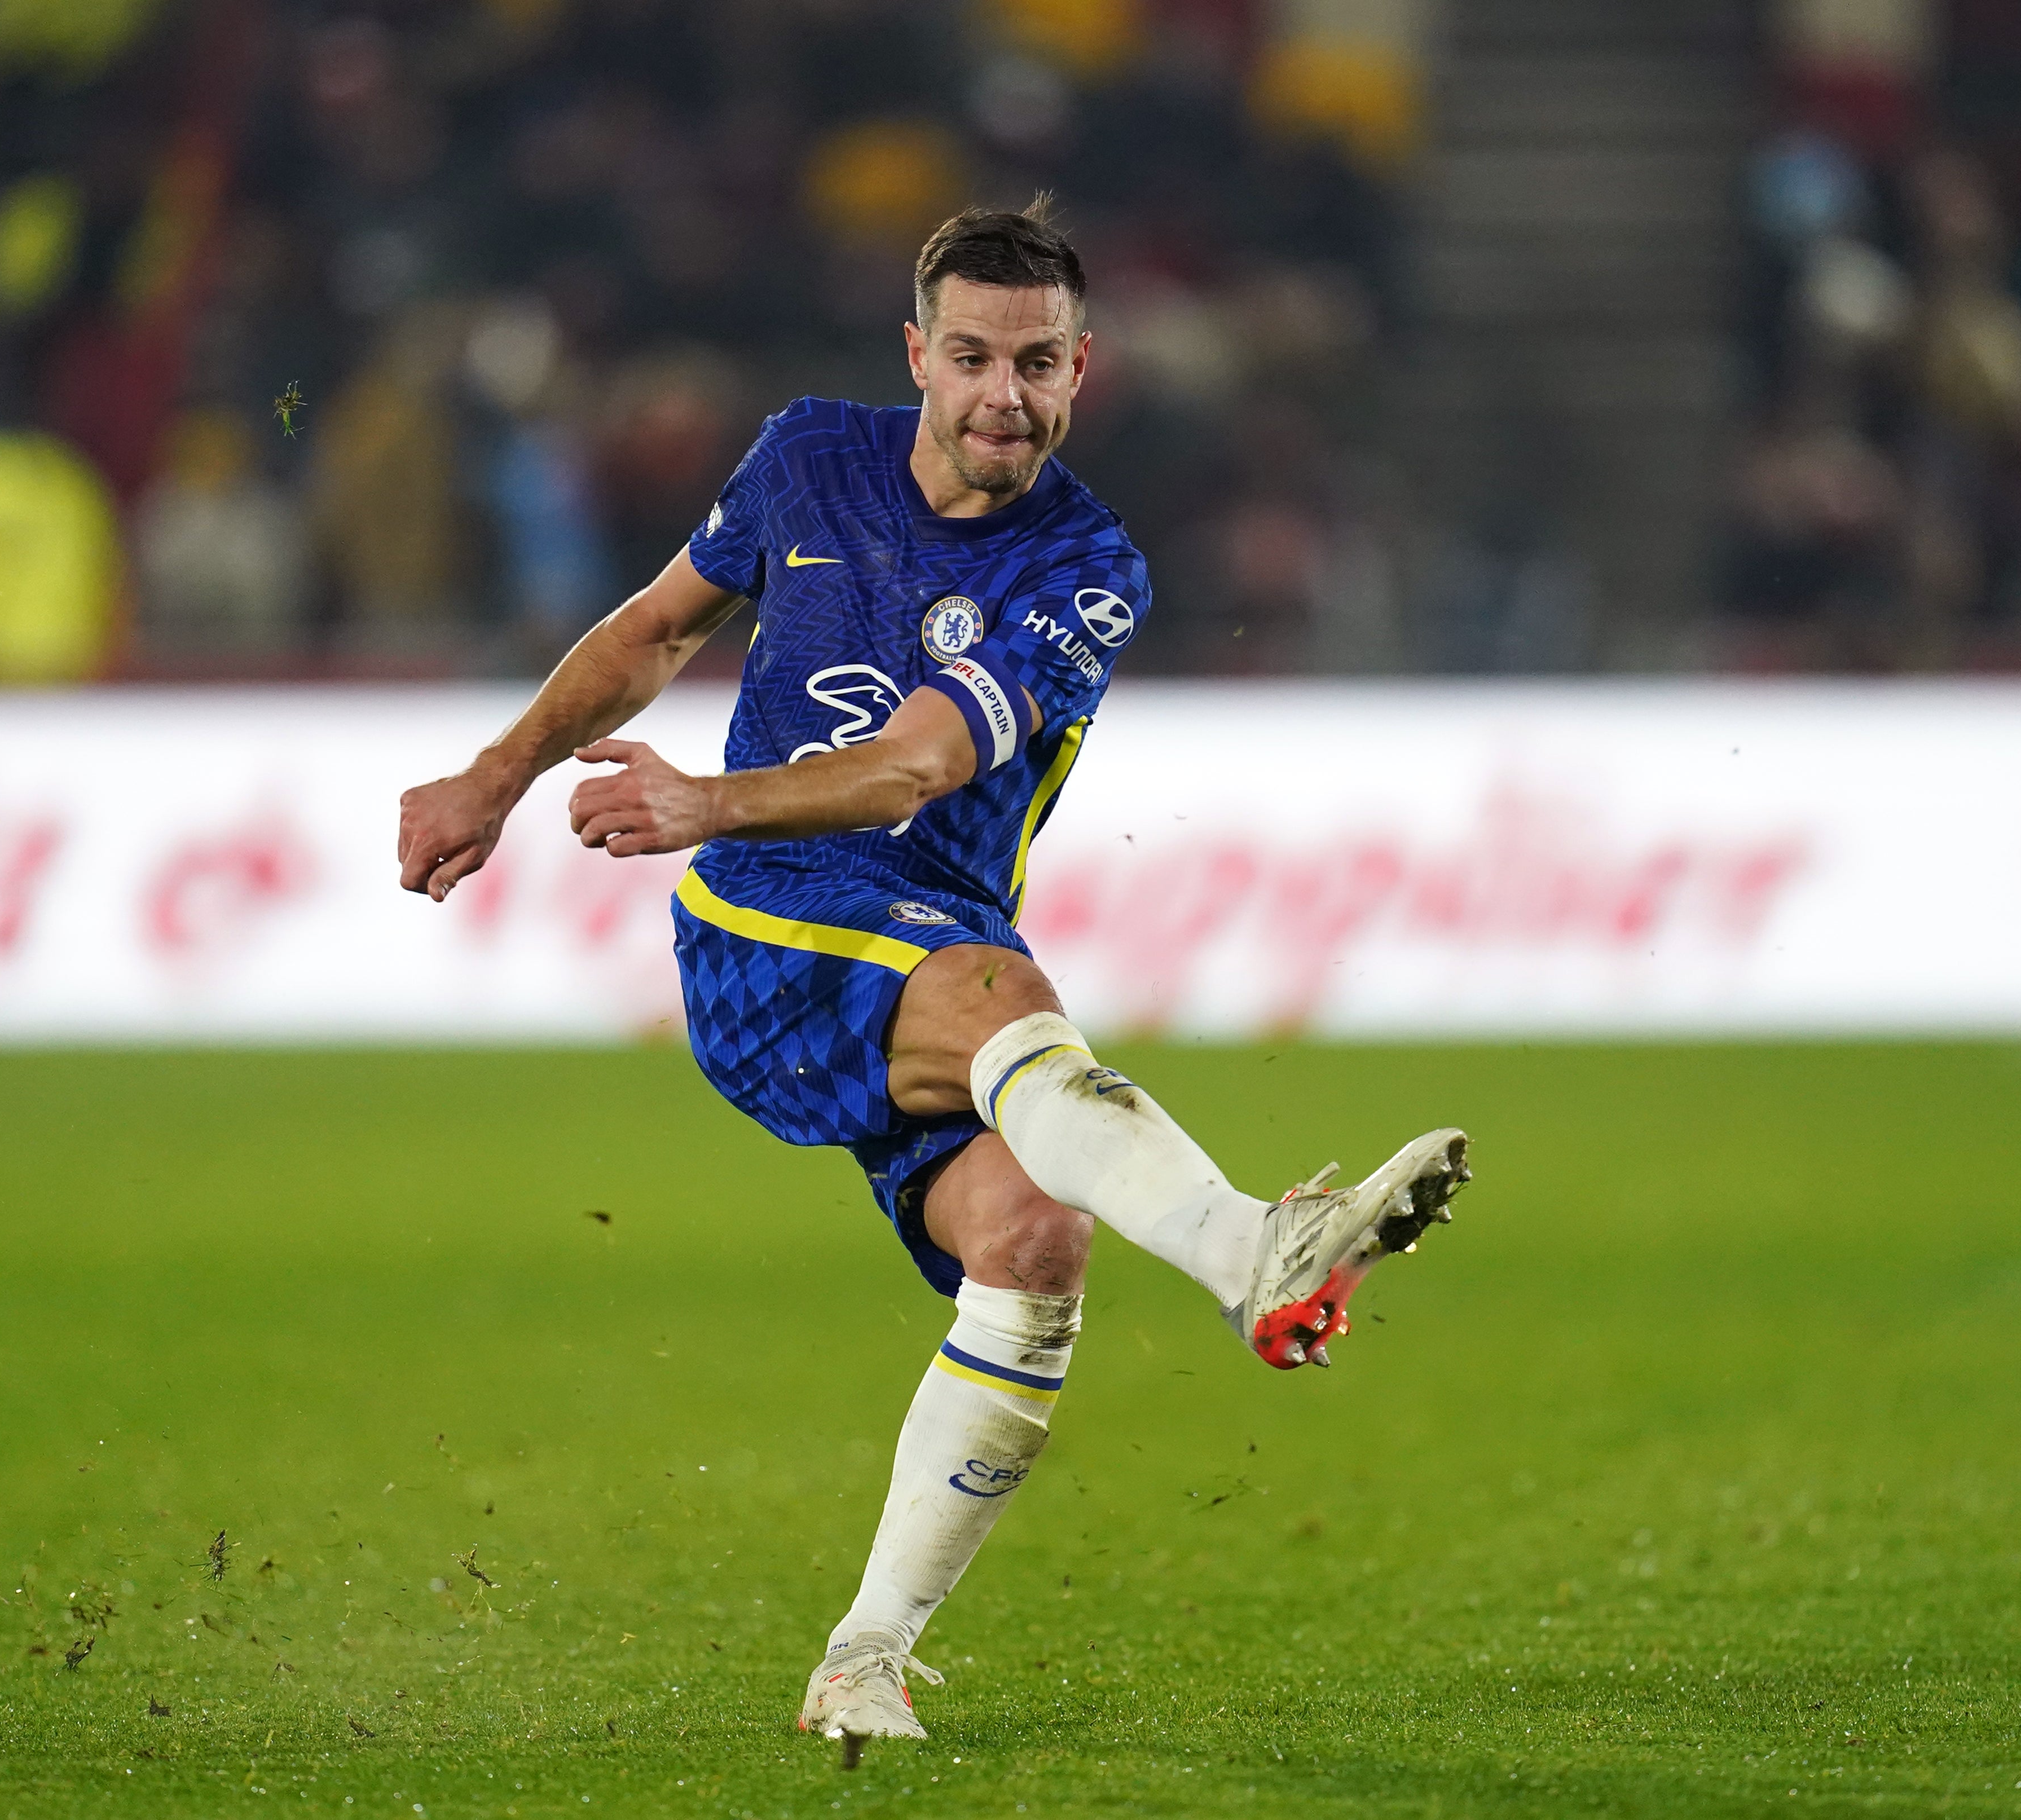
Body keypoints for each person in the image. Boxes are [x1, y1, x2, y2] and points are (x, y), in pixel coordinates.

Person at [393, 199, 1472, 1763]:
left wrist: (708, 787)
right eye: (969, 357)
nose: (1001, 397)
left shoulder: (1086, 566)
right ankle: (1255, 1252)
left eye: (1035, 364)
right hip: (771, 926)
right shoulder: (804, 457)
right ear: (917, 354)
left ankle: (863, 1658)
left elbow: (917, 763)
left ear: (1082, 371)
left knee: (1034, 1241)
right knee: (987, 984)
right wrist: (501, 776)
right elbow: (651, 630)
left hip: (918, 943)